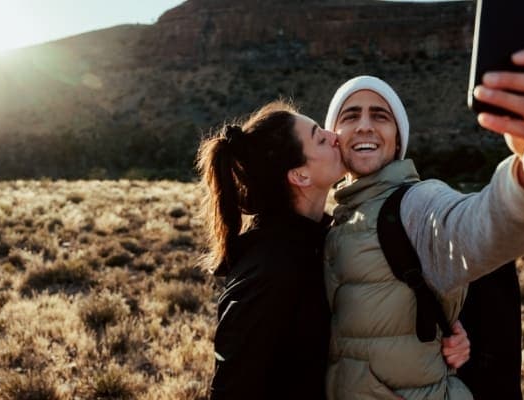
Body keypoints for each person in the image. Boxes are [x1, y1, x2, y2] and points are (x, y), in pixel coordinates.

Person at [322, 49, 524, 399]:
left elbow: (480, 228)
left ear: (398, 141)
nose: (365, 125)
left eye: (380, 116)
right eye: (350, 116)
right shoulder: (335, 221)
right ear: (334, 136)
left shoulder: (415, 204)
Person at [200, 101, 470, 399]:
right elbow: (232, 387)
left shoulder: (323, 241)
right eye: (319, 137)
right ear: (300, 176)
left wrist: (447, 328)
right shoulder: (270, 268)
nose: (332, 135)